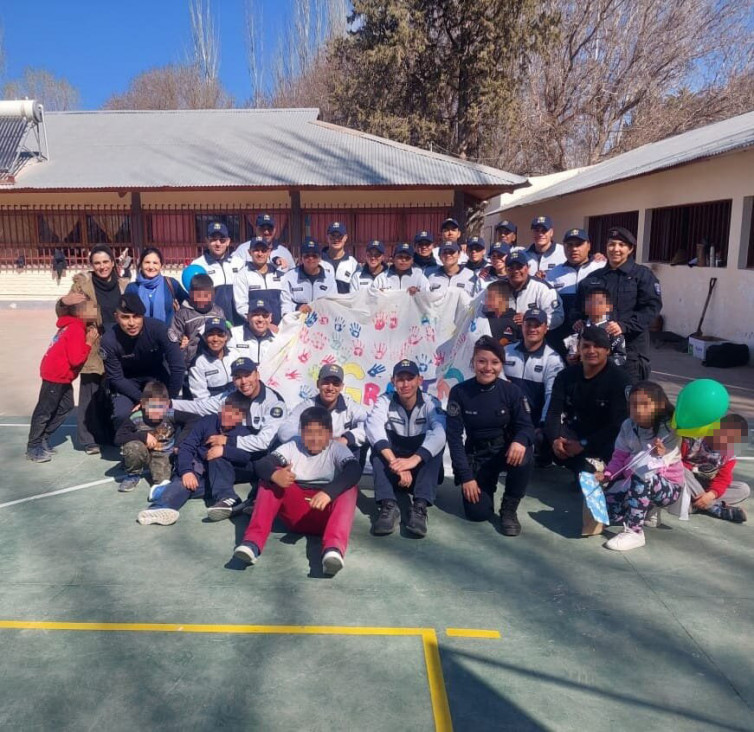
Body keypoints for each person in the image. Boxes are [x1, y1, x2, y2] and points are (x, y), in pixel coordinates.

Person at [233, 406, 363, 575]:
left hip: (324, 513)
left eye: (320, 433)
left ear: (330, 433)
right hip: (296, 513)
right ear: (301, 433)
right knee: (269, 481)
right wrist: (275, 474)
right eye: (309, 432)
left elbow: (354, 470)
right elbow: (262, 464)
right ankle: (252, 543)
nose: (315, 438)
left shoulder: (336, 448)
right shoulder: (293, 445)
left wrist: (328, 493)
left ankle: (333, 550)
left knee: (350, 489)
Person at [171, 356, 288, 518]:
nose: (243, 381)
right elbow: (200, 407)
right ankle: (228, 500)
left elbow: (263, 442)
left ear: (257, 375)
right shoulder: (230, 396)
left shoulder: (274, 403)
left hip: (261, 458)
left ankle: (254, 501)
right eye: (238, 377)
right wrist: (165, 404)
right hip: (235, 457)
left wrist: (228, 441)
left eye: (247, 375)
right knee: (213, 455)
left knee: (260, 466)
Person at [446, 336, 535, 535]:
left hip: (505, 451)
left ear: (501, 364)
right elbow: (454, 438)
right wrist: (466, 477)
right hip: (477, 456)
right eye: (482, 361)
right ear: (473, 363)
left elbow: (526, 427)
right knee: (477, 514)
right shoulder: (459, 392)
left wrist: (519, 441)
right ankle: (485, 486)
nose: (488, 368)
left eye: (495, 362)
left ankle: (509, 509)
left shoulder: (512, 391)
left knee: (525, 453)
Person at [136, 390, 254, 526]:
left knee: (216, 456)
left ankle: (227, 498)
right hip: (198, 467)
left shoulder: (244, 432)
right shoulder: (207, 421)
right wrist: (186, 471)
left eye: (236, 414)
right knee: (185, 484)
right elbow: (187, 447)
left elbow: (246, 457)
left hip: (221, 472)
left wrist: (224, 450)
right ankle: (160, 508)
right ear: (221, 409)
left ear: (242, 417)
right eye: (227, 410)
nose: (229, 416)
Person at [57, 245, 129, 454]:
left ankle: (109, 434)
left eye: (106, 262)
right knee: (90, 390)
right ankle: (88, 439)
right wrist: (62, 301)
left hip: (118, 343)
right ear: (92, 265)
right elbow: (64, 308)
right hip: (93, 341)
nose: (102, 266)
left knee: (114, 391)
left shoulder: (123, 285)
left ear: (113, 263)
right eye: (97, 263)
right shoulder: (83, 284)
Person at [597, 382, 684, 551]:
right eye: (633, 404)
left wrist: (660, 454)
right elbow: (619, 457)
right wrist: (607, 474)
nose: (637, 409)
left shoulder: (671, 429)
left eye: (645, 404)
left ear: (659, 405)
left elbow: (656, 467)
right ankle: (648, 510)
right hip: (633, 483)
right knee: (608, 513)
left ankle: (635, 532)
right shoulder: (628, 426)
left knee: (643, 475)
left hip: (667, 486)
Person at [366, 359, 446, 537]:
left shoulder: (431, 403)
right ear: (393, 381)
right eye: (400, 379)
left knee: (436, 447)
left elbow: (440, 433)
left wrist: (412, 461)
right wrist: (397, 464)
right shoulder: (384, 402)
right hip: (395, 471)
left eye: (410, 378)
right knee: (377, 452)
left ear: (420, 380)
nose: (405, 384)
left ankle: (419, 507)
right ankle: (388, 505)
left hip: (421, 472)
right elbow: (373, 429)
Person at [573, 226, 662, 383]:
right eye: (611, 244)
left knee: (627, 402)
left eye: (621, 245)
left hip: (630, 354)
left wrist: (624, 325)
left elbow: (651, 309)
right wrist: (577, 320)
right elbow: (577, 308)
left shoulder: (642, 275)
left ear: (630, 249)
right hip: (595, 352)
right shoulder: (594, 277)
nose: (616, 249)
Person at [544, 326, 631, 478]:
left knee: (612, 452)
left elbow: (618, 425)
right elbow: (553, 412)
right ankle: (578, 465)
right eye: (586, 346)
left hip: (605, 438)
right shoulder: (565, 376)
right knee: (540, 438)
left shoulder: (620, 380)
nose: (591, 351)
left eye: (597, 346)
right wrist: (555, 439)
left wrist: (584, 444)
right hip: (575, 433)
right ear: (578, 348)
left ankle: (598, 471)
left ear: (608, 351)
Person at [26, 298, 99, 462]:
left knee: (65, 407)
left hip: (61, 375)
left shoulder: (72, 325)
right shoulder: (75, 329)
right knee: (44, 410)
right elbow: (75, 359)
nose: (95, 310)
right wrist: (89, 343)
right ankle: (33, 446)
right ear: (80, 313)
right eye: (91, 307)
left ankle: (43, 437)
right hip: (56, 375)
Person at [100, 293, 185, 427]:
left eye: (136, 316)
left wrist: (169, 399)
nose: (132, 323)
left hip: (157, 379)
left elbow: (178, 367)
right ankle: (129, 442)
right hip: (127, 382)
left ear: (143, 316)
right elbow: (116, 378)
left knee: (169, 412)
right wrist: (144, 400)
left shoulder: (159, 329)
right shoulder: (108, 340)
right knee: (121, 415)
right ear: (116, 317)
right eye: (125, 317)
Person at [503, 309, 564, 458]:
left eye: (537, 325)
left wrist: (543, 425)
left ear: (545, 328)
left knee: (542, 438)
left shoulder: (553, 359)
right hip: (505, 419)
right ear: (522, 326)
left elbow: (551, 396)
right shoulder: (505, 351)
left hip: (534, 423)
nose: (532, 329)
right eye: (528, 324)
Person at [277, 364, 369, 458]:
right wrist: (307, 441)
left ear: (341, 387)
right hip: (311, 454)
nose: (330, 388)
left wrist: (346, 438)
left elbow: (368, 427)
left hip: (340, 454)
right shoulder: (306, 406)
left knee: (362, 444)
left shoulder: (351, 406)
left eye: (336, 384)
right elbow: (285, 429)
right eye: (326, 382)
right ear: (318, 384)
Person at [546, 228, 605, 357]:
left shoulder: (601, 268)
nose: (574, 249)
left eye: (578, 244)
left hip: (593, 339)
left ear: (589, 246)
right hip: (560, 337)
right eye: (570, 245)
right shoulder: (553, 273)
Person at [682, 414, 750, 524]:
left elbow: (723, 479)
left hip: (705, 486)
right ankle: (713, 508)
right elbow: (675, 462)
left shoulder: (729, 454)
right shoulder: (695, 438)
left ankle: (696, 504)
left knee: (743, 489)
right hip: (686, 481)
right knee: (680, 469)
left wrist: (711, 494)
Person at [114, 380, 176, 493]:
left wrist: (181, 442)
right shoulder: (136, 417)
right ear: (143, 404)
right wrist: (142, 436)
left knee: (162, 482)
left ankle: (159, 473)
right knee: (133, 446)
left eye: (160, 407)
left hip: (163, 454)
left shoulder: (172, 414)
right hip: (143, 451)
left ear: (167, 404)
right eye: (152, 407)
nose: (156, 411)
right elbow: (118, 437)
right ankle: (133, 475)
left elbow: (192, 420)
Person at [168, 273, 225, 369]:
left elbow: (225, 333)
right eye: (198, 295)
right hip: (191, 362)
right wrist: (180, 340)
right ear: (191, 294)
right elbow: (173, 334)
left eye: (206, 295)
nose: (202, 299)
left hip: (215, 359)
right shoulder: (183, 314)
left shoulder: (218, 312)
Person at [190, 222, 243, 325]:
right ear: (207, 241)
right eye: (213, 239)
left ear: (228, 242)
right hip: (212, 325)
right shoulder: (197, 265)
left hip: (238, 323)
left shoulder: (239, 263)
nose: (218, 243)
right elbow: (194, 299)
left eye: (222, 240)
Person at [565, 287, 627, 367]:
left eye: (599, 302)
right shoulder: (579, 327)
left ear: (608, 307)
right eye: (590, 302)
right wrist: (571, 358)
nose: (594, 305)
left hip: (605, 373)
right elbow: (572, 350)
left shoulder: (612, 329)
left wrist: (600, 362)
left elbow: (621, 356)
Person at [125, 247, 183, 327]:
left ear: (161, 266)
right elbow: (125, 314)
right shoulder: (133, 288)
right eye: (147, 262)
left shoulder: (171, 284)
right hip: (141, 336)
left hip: (168, 335)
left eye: (155, 263)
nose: (151, 267)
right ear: (141, 265)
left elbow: (187, 305)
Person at [506, 250, 564, 330]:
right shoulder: (499, 288)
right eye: (511, 268)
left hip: (535, 339)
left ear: (527, 268)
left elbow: (557, 317)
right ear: (506, 270)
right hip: (506, 338)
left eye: (519, 267)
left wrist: (531, 319)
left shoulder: (543, 288)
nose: (516, 271)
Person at [232, 236, 284, 325]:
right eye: (256, 250)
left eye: (264, 250)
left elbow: (285, 303)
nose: (260, 254)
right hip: (254, 330)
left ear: (269, 252)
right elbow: (241, 307)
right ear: (249, 252)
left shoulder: (279, 274)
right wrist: (263, 324)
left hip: (279, 329)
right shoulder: (242, 275)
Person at [280, 240, 338, 316]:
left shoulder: (329, 279)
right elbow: (285, 303)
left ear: (320, 258)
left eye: (314, 255)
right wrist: (297, 307)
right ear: (301, 258)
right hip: (298, 320)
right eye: (307, 255)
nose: (311, 258)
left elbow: (334, 304)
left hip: (322, 321)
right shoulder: (290, 277)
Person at [188, 317, 238, 400]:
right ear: (204, 337)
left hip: (239, 404)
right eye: (211, 334)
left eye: (220, 334)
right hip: (214, 409)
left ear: (226, 337)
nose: (215, 339)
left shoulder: (235, 354)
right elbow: (201, 399)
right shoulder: (198, 363)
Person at [229, 299, 276, 363]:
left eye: (265, 315)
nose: (260, 319)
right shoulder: (233, 335)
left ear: (270, 318)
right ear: (248, 317)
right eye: (256, 314)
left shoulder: (277, 340)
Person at [477, 280, 520, 346]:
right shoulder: (484, 317)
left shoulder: (516, 320)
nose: (486, 301)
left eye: (490, 297)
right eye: (486, 297)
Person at [321, 221, 359, 294]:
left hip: (345, 305)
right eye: (333, 236)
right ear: (327, 237)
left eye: (339, 236)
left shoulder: (352, 264)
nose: (336, 239)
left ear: (345, 238)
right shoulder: (319, 261)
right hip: (324, 305)